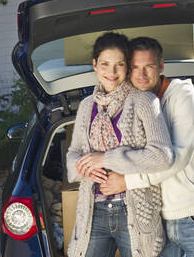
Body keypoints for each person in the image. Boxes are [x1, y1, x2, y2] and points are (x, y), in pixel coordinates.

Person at [98, 36, 194, 257]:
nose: (141, 74)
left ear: (161, 66)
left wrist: (126, 181)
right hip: (158, 217)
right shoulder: (138, 103)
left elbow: (176, 157)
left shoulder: (184, 97)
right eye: (135, 67)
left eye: (148, 66)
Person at [66, 32, 173, 257]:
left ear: (127, 67)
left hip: (135, 209)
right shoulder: (86, 106)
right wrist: (87, 167)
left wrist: (105, 159)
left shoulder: (144, 101)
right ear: (94, 65)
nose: (111, 72)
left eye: (119, 64)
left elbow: (162, 156)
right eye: (105, 64)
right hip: (93, 212)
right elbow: (72, 156)